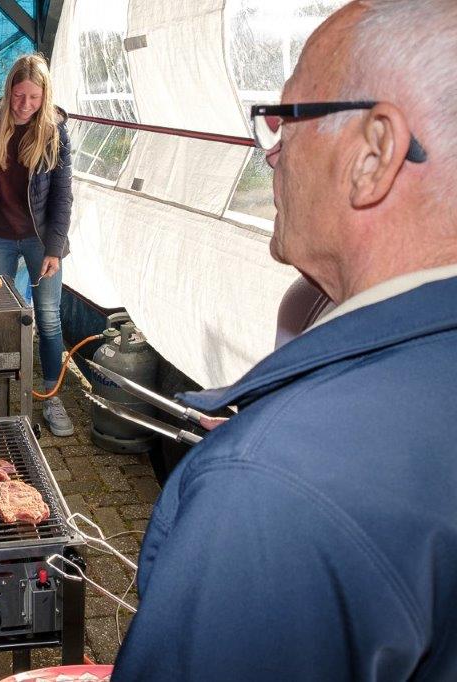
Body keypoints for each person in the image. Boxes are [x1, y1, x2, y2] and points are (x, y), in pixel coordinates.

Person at [114, 1, 457, 678]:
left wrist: (267, 451)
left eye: (287, 118)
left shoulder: (266, 489)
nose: (271, 151)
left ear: (373, 155)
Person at [0, 54, 74, 436]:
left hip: (40, 238)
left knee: (48, 317)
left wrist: (54, 249)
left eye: (34, 98)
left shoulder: (55, 132)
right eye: (19, 95)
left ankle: (51, 397)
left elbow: (63, 196)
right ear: (9, 90)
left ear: (45, 96)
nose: (25, 105)